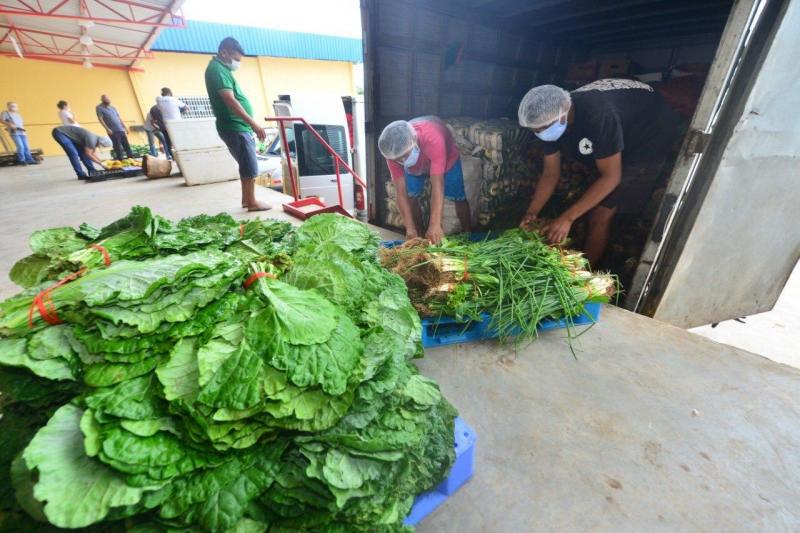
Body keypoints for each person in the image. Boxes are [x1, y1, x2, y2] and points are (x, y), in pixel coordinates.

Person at [517, 79, 680, 266]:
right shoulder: (549, 121)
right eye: (536, 131)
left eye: (544, 128)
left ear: (564, 109)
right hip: (622, 125)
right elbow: (550, 173)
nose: (542, 133)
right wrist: (532, 212)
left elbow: (611, 177)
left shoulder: (598, 115)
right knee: (588, 201)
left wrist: (567, 218)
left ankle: (584, 280)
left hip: (651, 133)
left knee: (600, 213)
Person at [378, 116, 470, 243]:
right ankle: (420, 238)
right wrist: (410, 229)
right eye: (399, 160)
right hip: (415, 167)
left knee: (458, 196)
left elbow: (438, 185)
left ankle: (468, 234)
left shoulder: (433, 138)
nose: (403, 161)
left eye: (405, 156)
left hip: (446, 159)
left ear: (415, 140)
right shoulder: (393, 152)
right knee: (411, 196)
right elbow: (401, 193)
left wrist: (434, 225)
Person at [204, 37, 269, 211]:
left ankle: (246, 199)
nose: (237, 64)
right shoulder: (217, 70)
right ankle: (252, 202)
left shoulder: (221, 69)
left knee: (245, 164)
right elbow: (230, 100)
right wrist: (253, 124)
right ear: (224, 52)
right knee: (249, 165)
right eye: (236, 59)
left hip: (237, 126)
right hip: (235, 126)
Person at [95, 94, 134, 161]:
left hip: (120, 129)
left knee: (126, 145)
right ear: (102, 100)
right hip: (112, 131)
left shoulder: (113, 107)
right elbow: (100, 119)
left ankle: (131, 159)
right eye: (106, 99)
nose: (108, 100)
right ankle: (121, 161)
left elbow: (119, 118)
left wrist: (125, 127)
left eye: (108, 99)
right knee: (118, 147)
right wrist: (107, 129)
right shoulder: (99, 108)